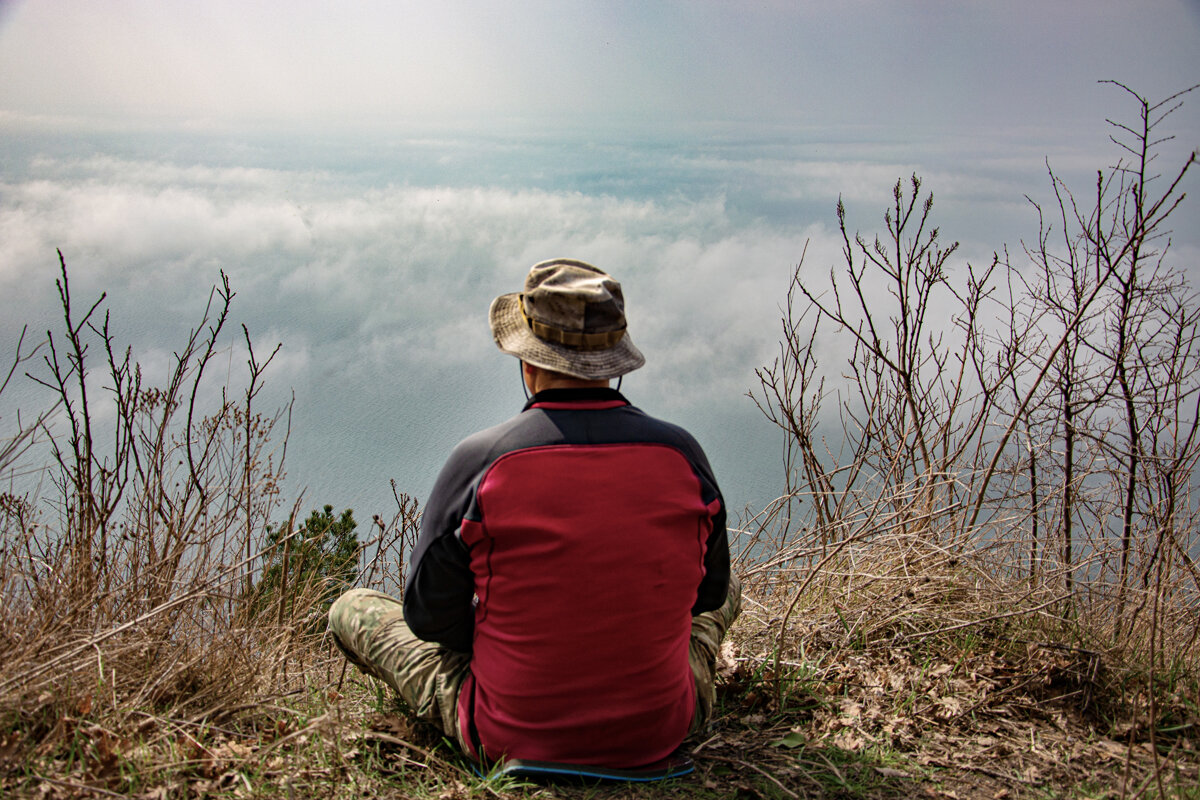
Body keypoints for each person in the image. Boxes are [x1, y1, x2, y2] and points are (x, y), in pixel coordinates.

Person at [328, 258, 741, 768]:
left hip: (507, 736)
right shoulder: (684, 456)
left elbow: (427, 615)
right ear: (613, 364)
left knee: (351, 608)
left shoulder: (481, 462)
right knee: (730, 594)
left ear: (528, 362)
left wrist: (511, 638)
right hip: (659, 729)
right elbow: (709, 594)